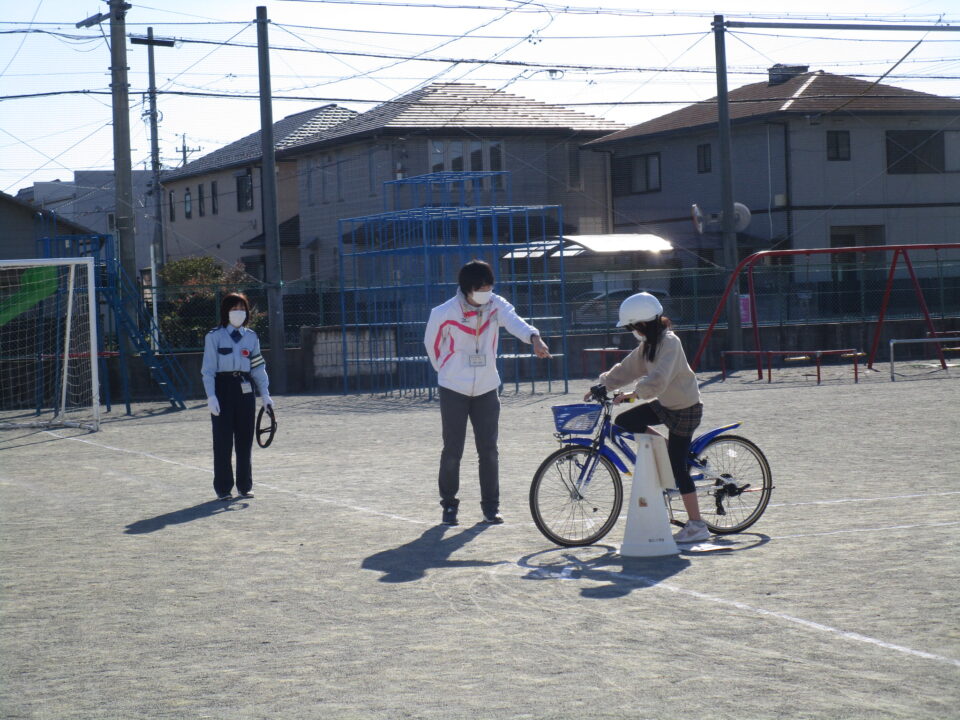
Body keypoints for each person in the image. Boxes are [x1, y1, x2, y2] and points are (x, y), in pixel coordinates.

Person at [424, 259, 552, 526]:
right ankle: (449, 505)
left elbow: (515, 321)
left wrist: (534, 338)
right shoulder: (443, 312)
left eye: (489, 288)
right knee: (452, 450)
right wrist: (448, 370)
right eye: (481, 289)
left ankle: (491, 508)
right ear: (467, 288)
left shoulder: (496, 304)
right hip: (453, 388)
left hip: (486, 387)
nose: (487, 293)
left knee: (489, 451)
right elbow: (432, 346)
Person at [584, 292, 708, 543]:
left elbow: (659, 379)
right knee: (625, 422)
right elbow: (628, 368)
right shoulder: (649, 345)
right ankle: (664, 447)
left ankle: (697, 525)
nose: (632, 331)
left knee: (678, 467)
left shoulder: (670, 343)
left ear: (642, 323)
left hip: (685, 409)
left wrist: (634, 394)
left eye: (631, 326)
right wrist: (603, 385)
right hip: (667, 405)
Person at [201, 292, 273, 501]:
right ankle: (223, 488)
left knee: (245, 439)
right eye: (234, 309)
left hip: (245, 388)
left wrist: (265, 394)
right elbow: (208, 370)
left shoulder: (251, 337)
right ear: (226, 312)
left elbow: (258, 368)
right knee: (222, 441)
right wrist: (211, 396)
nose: (238, 313)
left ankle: (244, 486)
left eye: (242, 309)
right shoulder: (214, 336)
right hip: (222, 388)